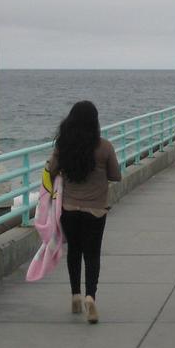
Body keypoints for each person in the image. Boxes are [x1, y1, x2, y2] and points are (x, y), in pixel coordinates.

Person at [48, 100, 121, 324]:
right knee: (92, 254)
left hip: (68, 208)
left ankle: (75, 296)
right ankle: (91, 296)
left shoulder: (64, 146)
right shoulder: (105, 147)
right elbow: (116, 175)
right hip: (96, 210)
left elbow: (50, 171)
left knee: (74, 252)